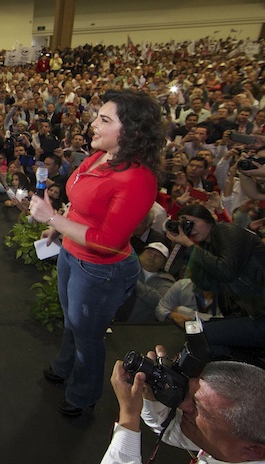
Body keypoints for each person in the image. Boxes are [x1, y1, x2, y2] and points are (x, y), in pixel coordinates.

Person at [29, 90, 164, 417]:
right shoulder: (99, 156)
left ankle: (82, 395)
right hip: (72, 256)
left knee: (88, 338)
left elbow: (107, 241)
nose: (93, 124)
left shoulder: (138, 179)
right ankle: (64, 367)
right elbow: (81, 202)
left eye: (104, 120)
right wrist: (58, 226)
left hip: (101, 271)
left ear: (131, 130)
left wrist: (52, 219)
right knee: (72, 323)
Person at [101, 345, 265, 464]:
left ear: (254, 451)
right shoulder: (232, 442)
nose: (183, 406)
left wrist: (128, 419)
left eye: (197, 407)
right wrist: (150, 394)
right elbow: (171, 431)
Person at [165, 204, 265, 357]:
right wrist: (186, 248)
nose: (190, 228)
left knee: (203, 335)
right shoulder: (207, 246)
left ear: (208, 220)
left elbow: (226, 271)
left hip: (260, 316)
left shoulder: (228, 231)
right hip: (251, 314)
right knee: (198, 332)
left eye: (192, 222)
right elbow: (205, 283)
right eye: (185, 225)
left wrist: (191, 246)